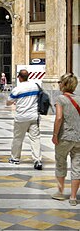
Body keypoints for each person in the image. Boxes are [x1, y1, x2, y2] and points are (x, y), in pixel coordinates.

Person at [51, 72, 80, 205]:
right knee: (77, 166)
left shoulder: (60, 99)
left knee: (61, 163)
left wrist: (55, 135)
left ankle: (60, 192)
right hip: (78, 138)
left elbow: (59, 118)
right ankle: (73, 197)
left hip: (64, 137)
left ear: (63, 85)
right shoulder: (79, 99)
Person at [6, 69, 42, 169]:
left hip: (21, 117)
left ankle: (15, 158)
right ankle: (37, 160)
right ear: (28, 76)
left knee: (18, 138)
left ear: (19, 77)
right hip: (33, 116)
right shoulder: (35, 86)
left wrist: (15, 101)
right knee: (35, 138)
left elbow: (8, 102)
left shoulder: (18, 89)